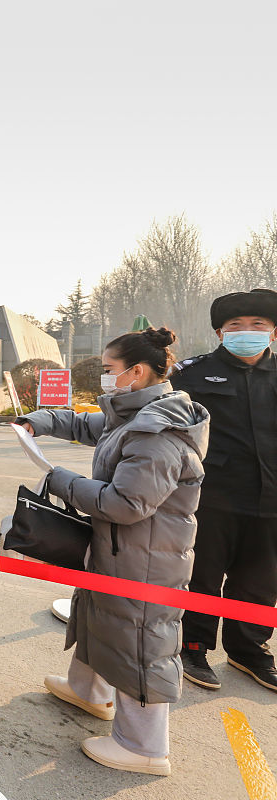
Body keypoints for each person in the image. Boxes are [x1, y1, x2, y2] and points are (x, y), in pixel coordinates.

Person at [18, 328, 208, 776]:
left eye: (108, 371)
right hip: (121, 549)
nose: (104, 379)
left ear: (136, 372)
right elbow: (88, 424)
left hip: (146, 557)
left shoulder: (158, 432)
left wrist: (57, 478)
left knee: (140, 640)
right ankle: (90, 691)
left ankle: (145, 746)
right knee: (100, 617)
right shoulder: (135, 412)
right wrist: (40, 421)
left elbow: (126, 503)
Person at [170, 288, 277, 693]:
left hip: (271, 502)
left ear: (273, 332)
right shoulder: (190, 374)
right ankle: (193, 646)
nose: (246, 332)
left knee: (260, 582)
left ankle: (249, 650)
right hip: (211, 498)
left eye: (257, 325)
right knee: (202, 574)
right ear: (220, 332)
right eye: (236, 326)